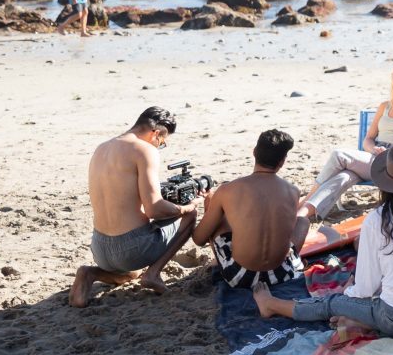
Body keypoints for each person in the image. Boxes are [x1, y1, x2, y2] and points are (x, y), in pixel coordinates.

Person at [252, 139, 393, 338]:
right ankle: (362, 321)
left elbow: (365, 288)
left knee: (332, 304)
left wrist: (348, 295)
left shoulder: (378, 219)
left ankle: (271, 305)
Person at [71, 106, 198, 306]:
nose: (159, 146)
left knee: (133, 272)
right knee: (190, 215)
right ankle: (154, 274)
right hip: (131, 248)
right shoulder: (144, 150)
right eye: (162, 142)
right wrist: (186, 208)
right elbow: (154, 209)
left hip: (100, 248)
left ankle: (90, 273)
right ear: (155, 133)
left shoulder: (102, 148)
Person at [294, 63, 393, 221]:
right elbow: (368, 139)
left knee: (339, 155)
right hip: (376, 157)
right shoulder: (385, 106)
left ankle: (304, 200)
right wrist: (373, 149)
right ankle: (303, 213)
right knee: (345, 176)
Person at [194, 129, 308, 290]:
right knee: (302, 222)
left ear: (254, 152)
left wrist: (207, 204)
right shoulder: (293, 191)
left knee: (214, 205)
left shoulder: (228, 190)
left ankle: (220, 260)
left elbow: (199, 239)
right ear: (282, 162)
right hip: (282, 274)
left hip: (240, 277)